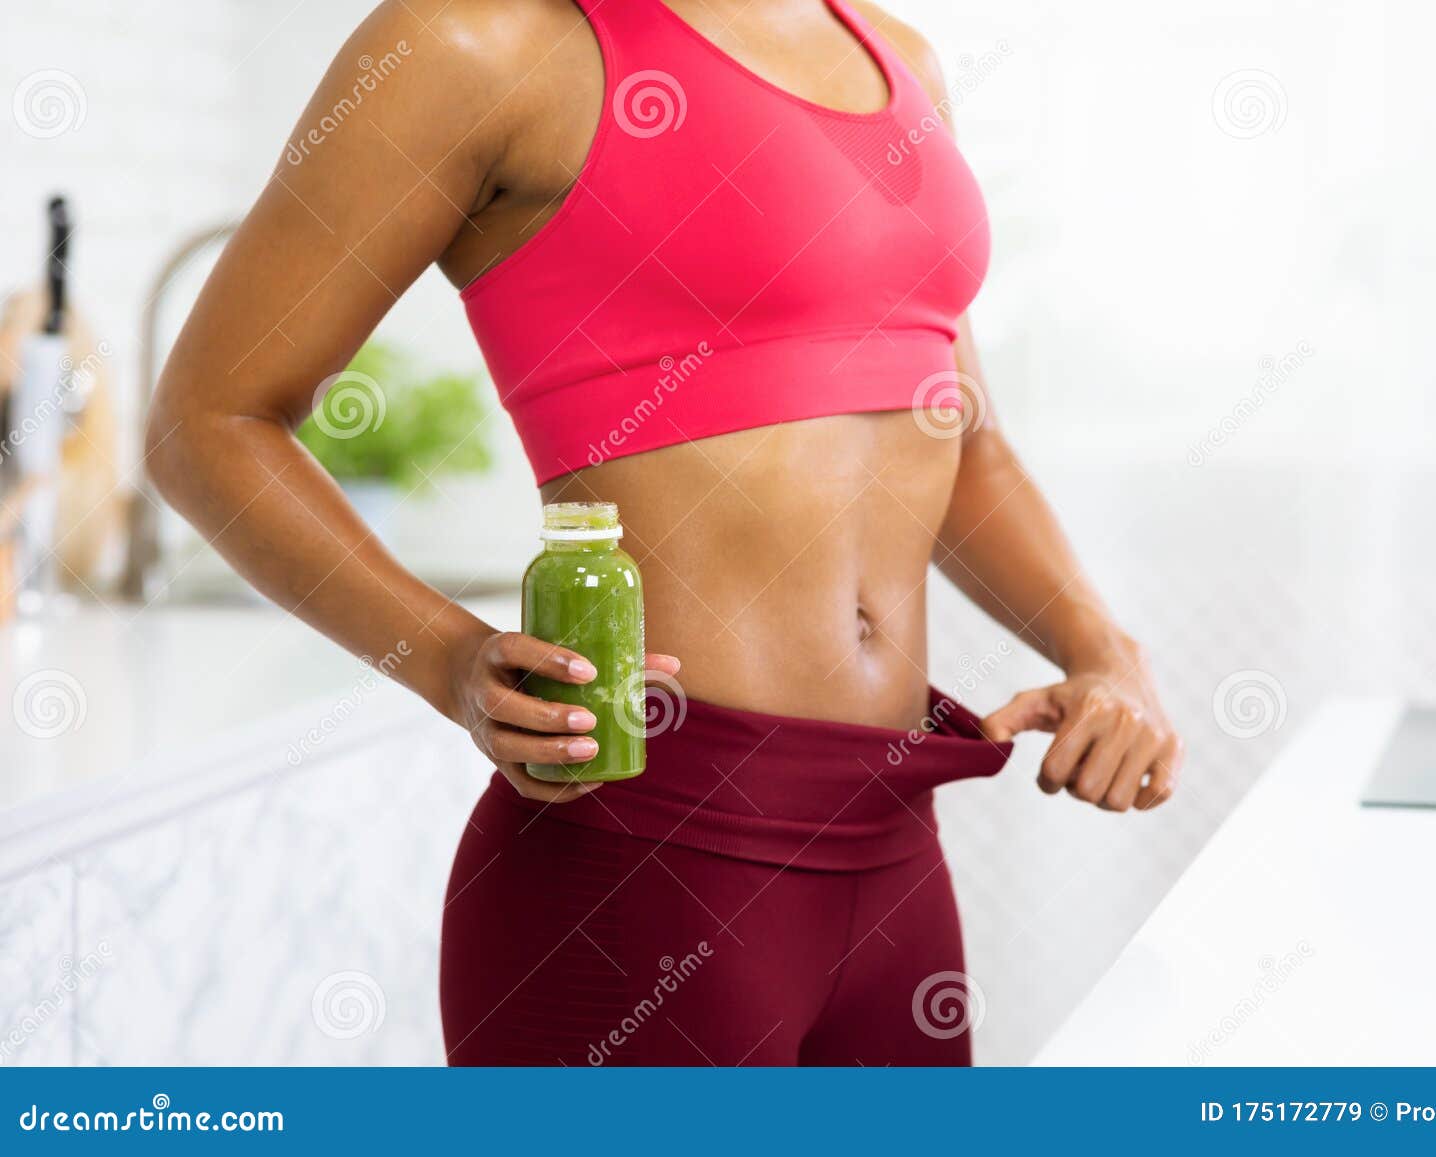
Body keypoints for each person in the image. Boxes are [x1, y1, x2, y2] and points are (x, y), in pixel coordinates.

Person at [147, 0, 1182, 1066]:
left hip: (893, 845)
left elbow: (964, 440)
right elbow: (207, 422)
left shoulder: (897, 56)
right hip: (645, 847)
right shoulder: (480, 43)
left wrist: (1102, 648)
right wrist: (450, 658)